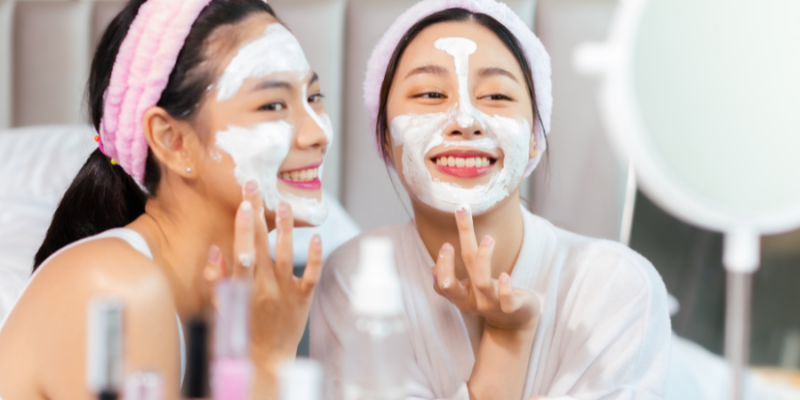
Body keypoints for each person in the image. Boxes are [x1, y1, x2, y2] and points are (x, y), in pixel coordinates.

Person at [310, 0, 671, 399]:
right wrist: (507, 340)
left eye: (496, 96)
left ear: (534, 138)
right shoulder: (354, 280)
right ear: (384, 139)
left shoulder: (616, 287)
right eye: (431, 94)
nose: (465, 121)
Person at [0, 0, 333, 398]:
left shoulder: (240, 304)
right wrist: (265, 363)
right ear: (172, 141)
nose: (317, 133)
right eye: (273, 104)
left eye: (314, 97)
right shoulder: (118, 289)